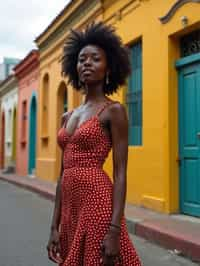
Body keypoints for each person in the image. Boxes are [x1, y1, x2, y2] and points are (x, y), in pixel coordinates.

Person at [47, 22, 142, 266]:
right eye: (81, 59)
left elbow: (120, 173)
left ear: (109, 67)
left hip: (97, 203)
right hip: (70, 209)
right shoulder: (67, 116)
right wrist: (54, 226)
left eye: (95, 59)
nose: (87, 63)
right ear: (74, 67)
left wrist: (113, 230)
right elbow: (62, 174)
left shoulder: (114, 111)